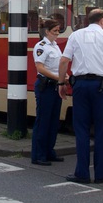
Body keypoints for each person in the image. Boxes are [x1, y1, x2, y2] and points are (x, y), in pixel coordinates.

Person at [57, 9, 103, 184]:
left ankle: (82, 173)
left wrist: (61, 83)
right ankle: (101, 174)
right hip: (102, 87)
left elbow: (64, 61)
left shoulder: (76, 35)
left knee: (82, 130)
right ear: (102, 20)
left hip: (81, 86)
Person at [30, 18, 64, 166]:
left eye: (58, 31)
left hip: (56, 85)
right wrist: (58, 77)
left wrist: (64, 77)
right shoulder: (41, 46)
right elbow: (40, 68)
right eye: (54, 31)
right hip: (46, 86)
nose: (57, 34)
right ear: (47, 32)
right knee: (43, 121)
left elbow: (58, 66)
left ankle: (49, 151)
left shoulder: (55, 46)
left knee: (53, 121)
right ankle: (38, 155)